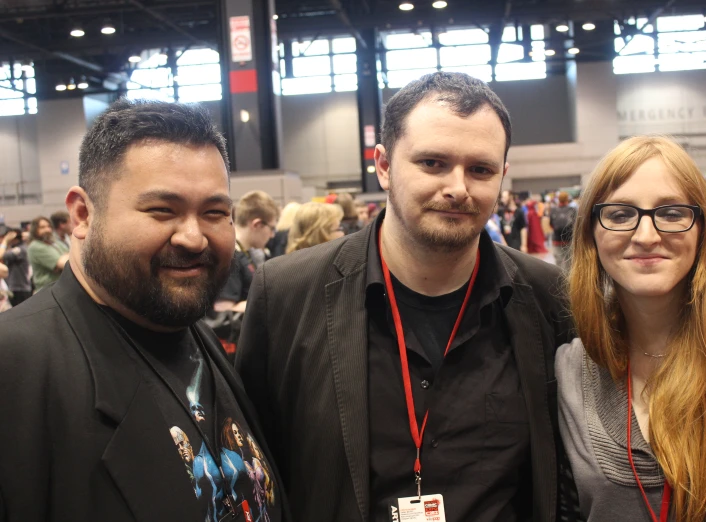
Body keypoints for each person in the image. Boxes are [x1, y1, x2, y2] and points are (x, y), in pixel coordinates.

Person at [236, 71, 575, 522]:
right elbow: (257, 468)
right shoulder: (286, 294)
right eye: (432, 163)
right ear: (383, 165)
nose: (457, 187)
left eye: (481, 169)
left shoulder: (548, 297)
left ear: (503, 176)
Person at [0, 99, 289, 522]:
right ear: (82, 214)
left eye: (214, 213)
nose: (194, 238)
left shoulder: (190, 333)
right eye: (162, 211)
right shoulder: (15, 366)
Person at [558, 135, 706, 521]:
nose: (646, 236)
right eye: (620, 214)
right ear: (591, 234)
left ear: (703, 228)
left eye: (673, 213)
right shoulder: (572, 366)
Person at [214, 190, 279, 314]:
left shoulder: (244, 252)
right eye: (271, 228)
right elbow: (223, 313)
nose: (272, 235)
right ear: (257, 224)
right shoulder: (231, 257)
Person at [27, 215, 69, 291]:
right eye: (42, 227)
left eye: (49, 226)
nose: (47, 230)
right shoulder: (35, 246)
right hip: (47, 291)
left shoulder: (55, 243)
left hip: (60, 288)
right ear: (34, 230)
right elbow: (63, 263)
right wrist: (66, 256)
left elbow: (71, 255)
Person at [0, 228, 32, 306]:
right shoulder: (14, 248)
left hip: (19, 288)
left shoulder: (20, 249)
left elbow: (1, 256)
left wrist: (5, 241)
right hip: (15, 288)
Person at [549, 192, 577, 270]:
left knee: (558, 262)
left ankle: (559, 279)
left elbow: (551, 224)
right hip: (569, 239)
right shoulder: (572, 210)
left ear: (558, 199)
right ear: (567, 199)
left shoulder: (553, 210)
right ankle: (568, 280)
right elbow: (576, 224)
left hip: (557, 239)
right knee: (569, 262)